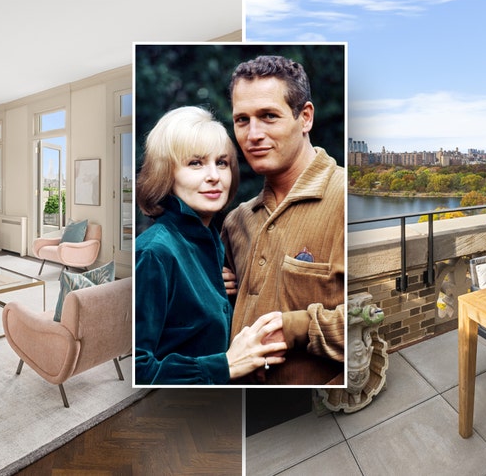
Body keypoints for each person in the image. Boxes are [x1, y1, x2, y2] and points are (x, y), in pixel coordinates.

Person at [134, 106, 287, 385]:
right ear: (165, 174)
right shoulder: (154, 252)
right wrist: (225, 364)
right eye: (195, 163)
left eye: (222, 162)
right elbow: (138, 368)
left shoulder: (211, 241)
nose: (214, 175)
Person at [221, 55, 346, 385]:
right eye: (242, 120)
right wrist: (213, 292)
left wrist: (295, 328)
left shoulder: (347, 198)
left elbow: (373, 319)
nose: (253, 134)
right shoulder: (236, 221)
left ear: (305, 117)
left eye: (268, 116)